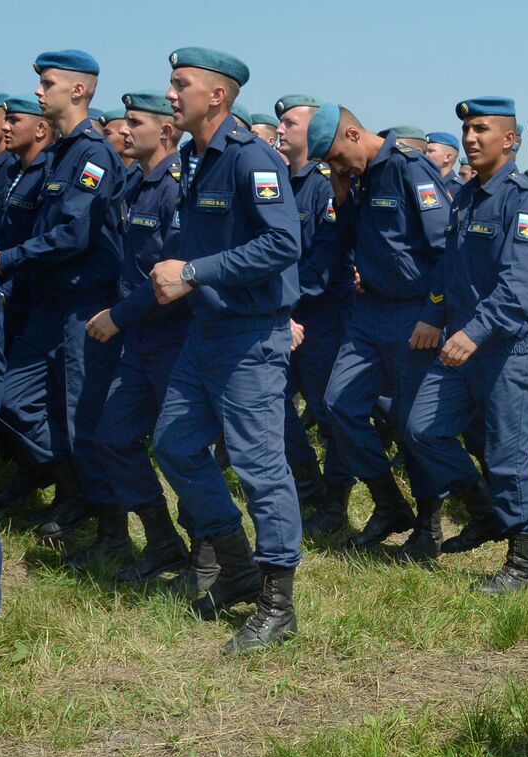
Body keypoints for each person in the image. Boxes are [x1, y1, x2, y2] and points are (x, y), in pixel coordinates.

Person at [149, 46, 303, 653]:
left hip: (248, 336)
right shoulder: (195, 157)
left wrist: (192, 271)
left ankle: (278, 600)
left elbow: (282, 243)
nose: (169, 94)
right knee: (176, 446)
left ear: (216, 95)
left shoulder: (249, 158)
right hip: (206, 333)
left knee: (260, 467)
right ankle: (235, 566)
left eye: (179, 84)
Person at [404, 96, 528, 589]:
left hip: (508, 347)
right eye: (466, 130)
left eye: (482, 129)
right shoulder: (466, 197)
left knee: (508, 455)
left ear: (509, 140)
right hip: (460, 342)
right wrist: (432, 315)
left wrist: (475, 331)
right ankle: (484, 508)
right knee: (423, 428)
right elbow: (449, 269)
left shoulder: (524, 199)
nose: (470, 138)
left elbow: (519, 287)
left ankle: (522, 562)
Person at [0, 50, 125, 548]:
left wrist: (7, 260)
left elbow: (72, 234)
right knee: (14, 398)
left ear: (76, 91)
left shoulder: (93, 154)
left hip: (84, 305)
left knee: (80, 416)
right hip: (49, 303)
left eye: (46, 84)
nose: (37, 92)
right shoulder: (56, 153)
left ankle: (109, 528)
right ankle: (73, 487)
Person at [315, 104, 449, 554]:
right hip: (369, 310)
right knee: (338, 403)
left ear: (353, 134)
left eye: (335, 157)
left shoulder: (410, 168)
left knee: (411, 421)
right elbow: (354, 238)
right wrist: (341, 192)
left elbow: (445, 246)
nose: (336, 166)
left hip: (411, 314)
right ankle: (389, 502)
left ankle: (430, 522)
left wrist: (433, 314)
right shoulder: (361, 175)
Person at [82, 90, 193, 578]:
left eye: (134, 122)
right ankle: (162, 539)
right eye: (123, 122)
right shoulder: (134, 184)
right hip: (139, 341)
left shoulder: (176, 189)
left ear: (165, 130)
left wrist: (118, 316)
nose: (123, 130)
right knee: (114, 437)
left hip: (172, 338)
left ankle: (209, 553)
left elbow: (168, 280)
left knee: (183, 448)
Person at [275, 94, 355, 535]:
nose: (281, 129)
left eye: (290, 122)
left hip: (323, 317)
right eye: (279, 123)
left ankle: (336, 502)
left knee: (329, 413)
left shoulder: (324, 183)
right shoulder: (277, 182)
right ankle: (308, 487)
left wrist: (282, 299)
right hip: (282, 316)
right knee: (271, 404)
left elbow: (325, 262)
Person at [0, 94, 56, 511]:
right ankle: (31, 473)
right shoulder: (11, 170)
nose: (6, 127)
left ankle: (60, 475)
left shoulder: (47, 171)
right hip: (8, 294)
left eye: (14, 120)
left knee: (13, 397)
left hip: (28, 295)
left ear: (39, 128)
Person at [424, 130, 464, 201]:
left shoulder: (460, 189)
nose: (425, 155)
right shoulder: (423, 184)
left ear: (447, 157)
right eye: (425, 151)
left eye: (430, 151)